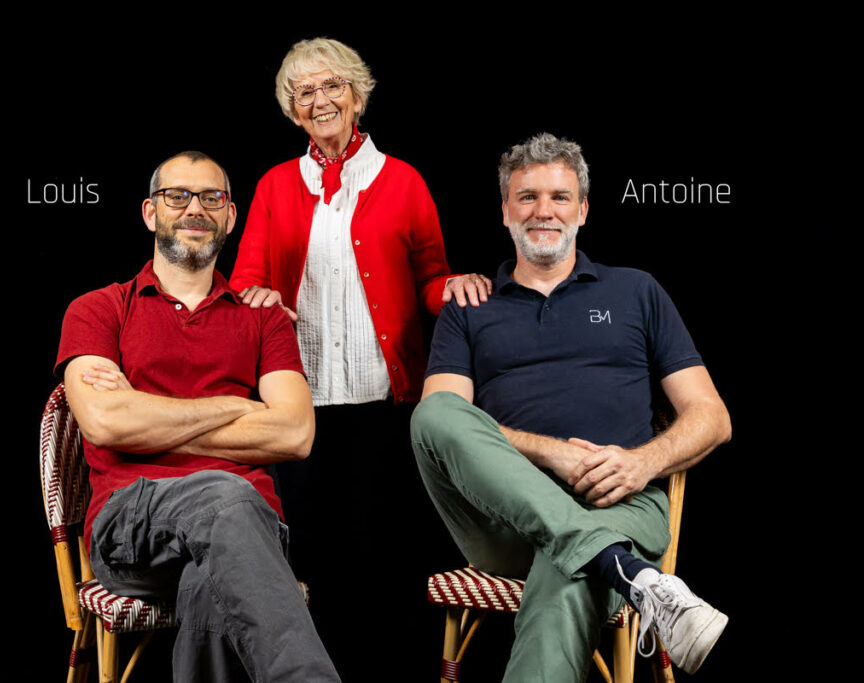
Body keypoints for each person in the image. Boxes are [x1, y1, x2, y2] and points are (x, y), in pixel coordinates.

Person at [411, 133, 732, 681]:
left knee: (569, 574)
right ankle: (625, 569)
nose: (544, 211)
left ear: (582, 210)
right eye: (527, 197)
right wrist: (553, 454)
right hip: (502, 523)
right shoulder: (470, 305)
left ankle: (609, 560)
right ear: (505, 211)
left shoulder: (636, 291)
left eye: (560, 197)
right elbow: (445, 425)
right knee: (432, 412)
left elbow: (712, 417)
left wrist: (644, 463)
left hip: (619, 504)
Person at [228, 37, 491, 677]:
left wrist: (454, 286)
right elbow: (244, 284)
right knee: (307, 561)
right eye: (304, 92)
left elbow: (430, 279)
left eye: (332, 86)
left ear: (357, 95)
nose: (320, 100)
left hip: (385, 402)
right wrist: (259, 296)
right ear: (293, 110)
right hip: (301, 406)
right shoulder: (273, 185)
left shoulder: (403, 180)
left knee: (383, 556)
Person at [55, 151, 340, 682]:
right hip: (131, 526)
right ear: (150, 213)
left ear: (230, 217)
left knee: (212, 583)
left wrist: (148, 420)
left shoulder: (265, 320)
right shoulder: (98, 309)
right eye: (177, 196)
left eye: (212, 198)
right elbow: (106, 424)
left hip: (248, 534)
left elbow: (296, 434)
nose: (195, 209)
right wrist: (237, 407)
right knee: (226, 493)